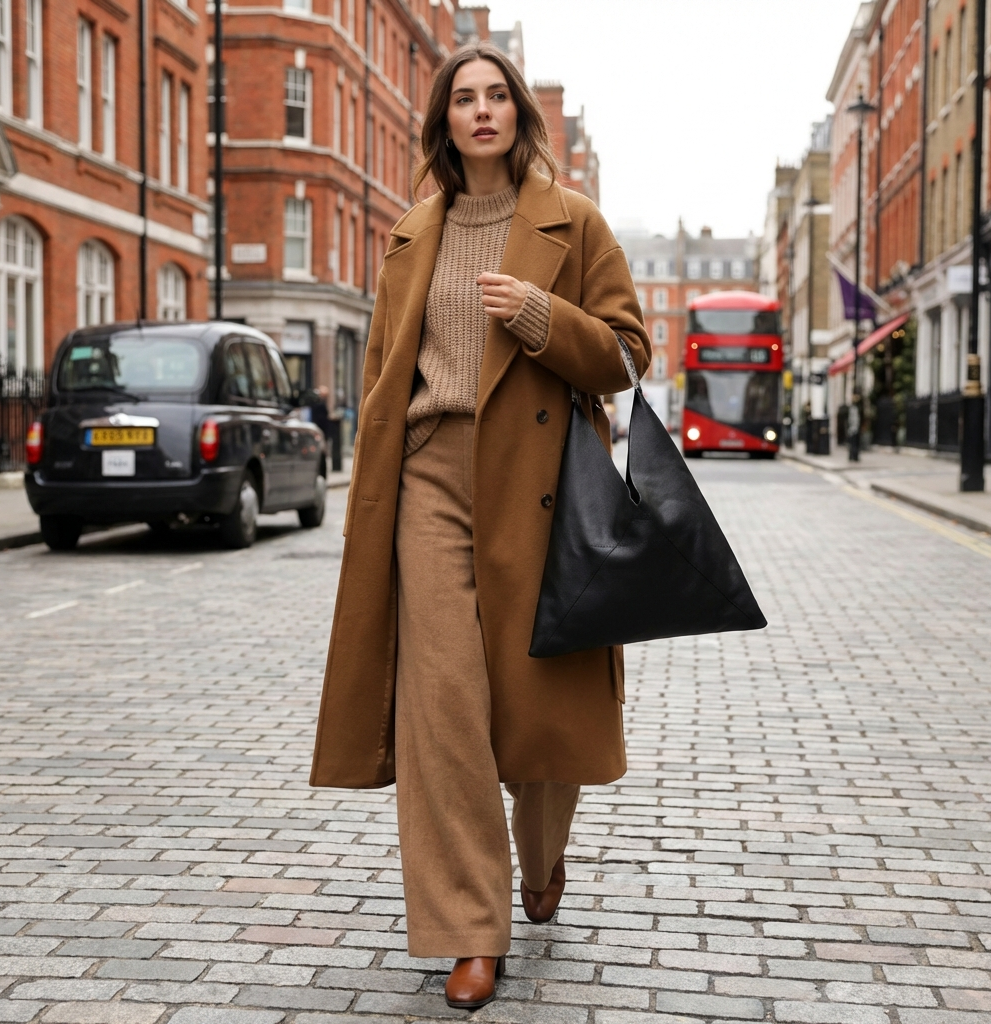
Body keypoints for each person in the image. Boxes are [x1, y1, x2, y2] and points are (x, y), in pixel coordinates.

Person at [309, 41, 650, 1010]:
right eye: (465, 98)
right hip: (428, 477)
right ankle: (469, 929)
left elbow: (628, 355)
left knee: (540, 702)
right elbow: (386, 373)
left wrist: (543, 316)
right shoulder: (413, 231)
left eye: (498, 95)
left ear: (518, 117)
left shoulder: (571, 222)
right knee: (443, 707)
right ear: (446, 121)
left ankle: (542, 856)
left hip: (537, 483)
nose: (483, 110)